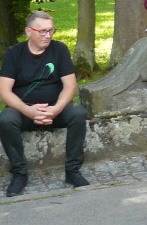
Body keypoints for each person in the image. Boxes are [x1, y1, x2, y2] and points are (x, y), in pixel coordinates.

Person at [0, 11, 89, 196]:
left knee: (78, 113)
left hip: (55, 109)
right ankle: (19, 173)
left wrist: (56, 109)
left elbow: (70, 85)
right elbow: (4, 92)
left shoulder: (60, 49)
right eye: (42, 31)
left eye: (50, 31)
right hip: (24, 111)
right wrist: (28, 111)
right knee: (6, 119)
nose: (47, 35)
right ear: (28, 31)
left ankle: (72, 171)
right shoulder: (14, 54)